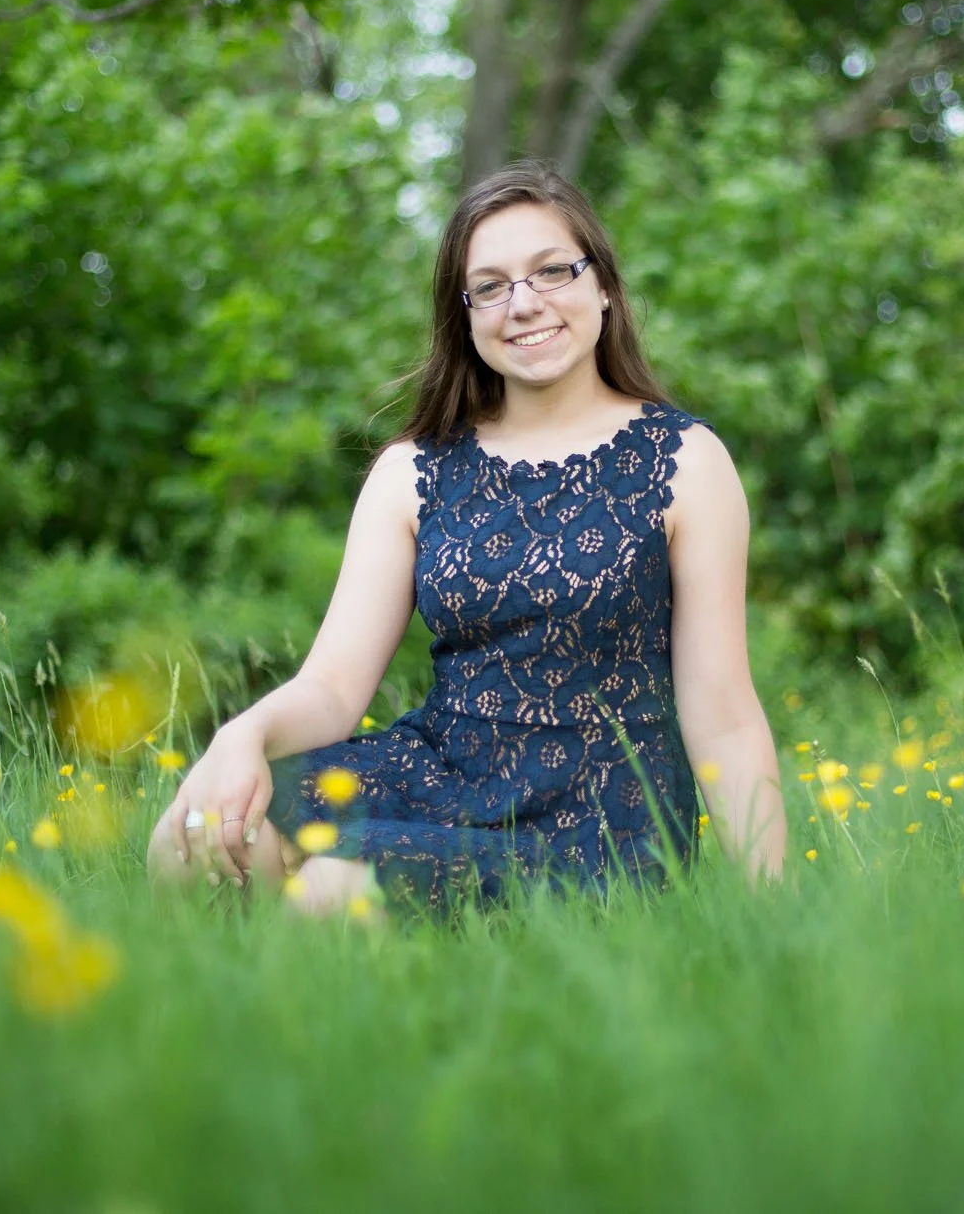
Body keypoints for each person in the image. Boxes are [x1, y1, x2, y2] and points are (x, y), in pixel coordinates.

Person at [146, 160, 785, 918]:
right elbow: (333, 689)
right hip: (444, 770)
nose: (524, 303)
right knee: (190, 835)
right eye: (491, 285)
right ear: (467, 312)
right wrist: (241, 735)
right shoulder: (413, 470)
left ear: (603, 286)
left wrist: (775, 920)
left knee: (327, 891)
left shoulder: (684, 461)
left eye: (552, 271)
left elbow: (725, 714)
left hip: (598, 820)